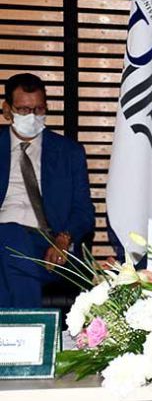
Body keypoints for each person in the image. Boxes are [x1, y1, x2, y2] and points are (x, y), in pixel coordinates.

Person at [0, 73, 95, 307]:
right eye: (24, 110)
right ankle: (29, 325)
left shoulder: (68, 152)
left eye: (39, 109)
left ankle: (21, 326)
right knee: (10, 235)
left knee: (8, 252)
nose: (32, 117)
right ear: (7, 110)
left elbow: (84, 211)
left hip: (50, 247)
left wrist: (63, 240)